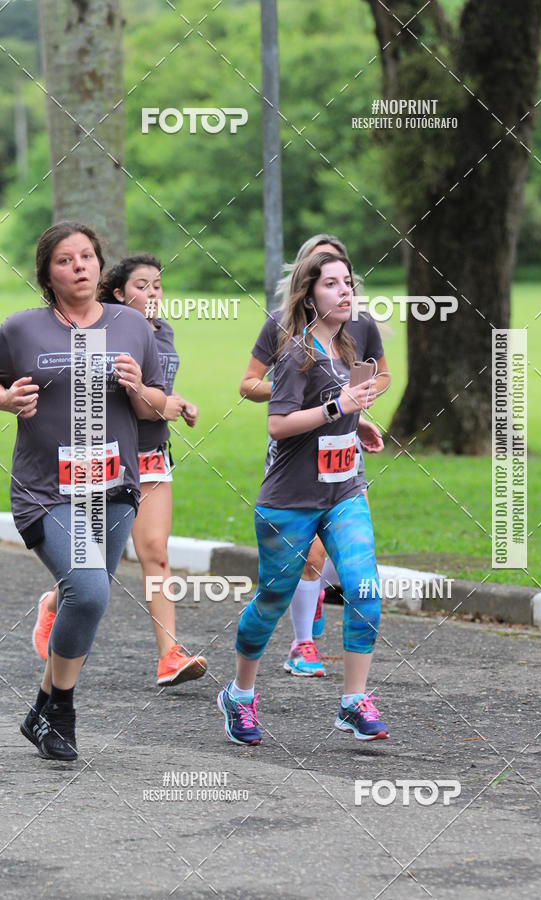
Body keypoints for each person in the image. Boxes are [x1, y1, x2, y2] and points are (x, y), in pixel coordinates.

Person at [0, 222, 167, 760]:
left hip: (112, 487)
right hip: (45, 489)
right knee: (90, 590)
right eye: (66, 259)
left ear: (100, 264)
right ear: (47, 274)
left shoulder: (132, 325)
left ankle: (40, 713)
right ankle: (64, 710)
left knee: (85, 601)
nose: (80, 265)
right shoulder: (21, 330)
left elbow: (155, 407)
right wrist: (6, 402)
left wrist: (139, 387)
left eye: (88, 256)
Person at [219, 251, 389, 745]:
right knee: (271, 600)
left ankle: (353, 701)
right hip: (289, 499)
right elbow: (279, 422)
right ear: (309, 294)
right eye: (331, 283)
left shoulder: (354, 339)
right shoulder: (296, 352)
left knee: (364, 590)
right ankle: (240, 695)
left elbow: (364, 388)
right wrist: (338, 406)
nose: (345, 291)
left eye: (348, 282)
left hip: (345, 493)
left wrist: (355, 423)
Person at [31, 255, 207, 686]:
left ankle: (169, 655)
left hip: (153, 458)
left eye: (158, 285)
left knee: (156, 554)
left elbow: (154, 389)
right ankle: (53, 605)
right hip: (110, 465)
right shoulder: (108, 333)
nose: (153, 294)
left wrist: (175, 401)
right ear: (119, 294)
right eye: (143, 286)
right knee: (95, 573)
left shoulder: (163, 334)